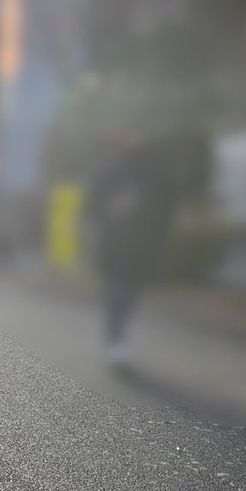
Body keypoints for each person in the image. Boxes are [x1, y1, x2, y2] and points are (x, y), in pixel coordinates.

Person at [86, 132, 173, 368]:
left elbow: (164, 210)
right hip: (114, 248)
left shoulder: (152, 175)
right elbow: (92, 209)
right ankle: (116, 341)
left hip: (140, 249)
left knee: (129, 294)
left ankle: (117, 337)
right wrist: (113, 210)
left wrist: (156, 232)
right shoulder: (107, 174)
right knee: (117, 293)